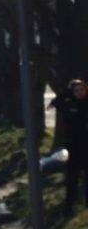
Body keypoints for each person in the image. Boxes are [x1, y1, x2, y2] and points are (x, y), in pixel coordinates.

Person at [50, 79, 88, 216]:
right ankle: (69, 208)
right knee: (72, 178)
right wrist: (67, 90)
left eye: (82, 90)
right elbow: (56, 103)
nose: (80, 93)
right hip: (74, 146)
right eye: (77, 90)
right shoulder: (68, 104)